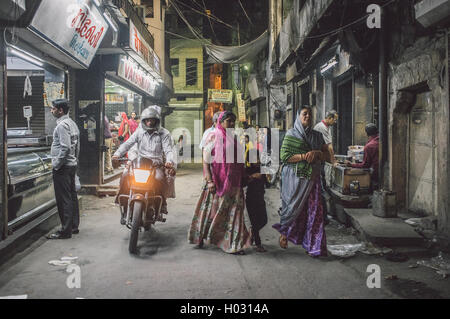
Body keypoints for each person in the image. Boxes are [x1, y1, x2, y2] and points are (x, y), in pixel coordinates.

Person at [188, 111, 252, 255]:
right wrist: (209, 181)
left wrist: (244, 177)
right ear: (221, 122)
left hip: (234, 182)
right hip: (217, 181)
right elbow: (206, 161)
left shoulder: (233, 138)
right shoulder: (214, 136)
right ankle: (201, 237)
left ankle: (234, 244)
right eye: (228, 121)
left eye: (233, 121)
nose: (231, 124)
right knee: (210, 210)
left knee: (235, 213)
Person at [273, 106, 333, 257]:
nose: (308, 117)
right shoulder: (290, 135)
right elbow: (285, 156)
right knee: (293, 209)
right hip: (294, 180)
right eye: (304, 114)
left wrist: (318, 153)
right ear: (298, 117)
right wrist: (304, 156)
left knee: (315, 212)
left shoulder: (317, 136)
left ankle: (314, 246)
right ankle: (285, 234)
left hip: (313, 180)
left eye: (310, 114)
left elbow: (327, 156)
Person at [112, 105, 176, 224]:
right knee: (125, 176)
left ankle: (162, 204)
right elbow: (128, 144)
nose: (150, 122)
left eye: (152, 120)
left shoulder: (164, 133)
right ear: (143, 121)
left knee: (160, 178)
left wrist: (169, 161)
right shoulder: (139, 132)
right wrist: (116, 154)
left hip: (156, 166)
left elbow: (168, 150)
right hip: (140, 164)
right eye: (147, 120)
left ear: (157, 121)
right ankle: (124, 204)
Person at [47, 99, 80, 239]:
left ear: (60, 110)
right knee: (72, 196)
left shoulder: (61, 126)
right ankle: (73, 226)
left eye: (53, 108)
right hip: (71, 165)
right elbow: (77, 147)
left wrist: (56, 164)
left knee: (64, 199)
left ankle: (65, 230)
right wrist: (75, 161)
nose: (51, 111)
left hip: (63, 167)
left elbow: (65, 147)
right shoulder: (72, 123)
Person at [245, 149, 268, 253]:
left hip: (260, 198)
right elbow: (243, 183)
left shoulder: (262, 169)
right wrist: (252, 177)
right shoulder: (247, 170)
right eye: (255, 158)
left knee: (264, 220)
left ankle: (252, 232)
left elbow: (267, 184)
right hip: (250, 199)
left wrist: (267, 176)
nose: (257, 160)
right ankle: (258, 244)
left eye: (258, 157)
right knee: (254, 222)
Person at [346, 123, 379, 190]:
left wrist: (351, 165)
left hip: (375, 176)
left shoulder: (369, 146)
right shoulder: (383, 141)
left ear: (367, 134)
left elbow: (365, 165)